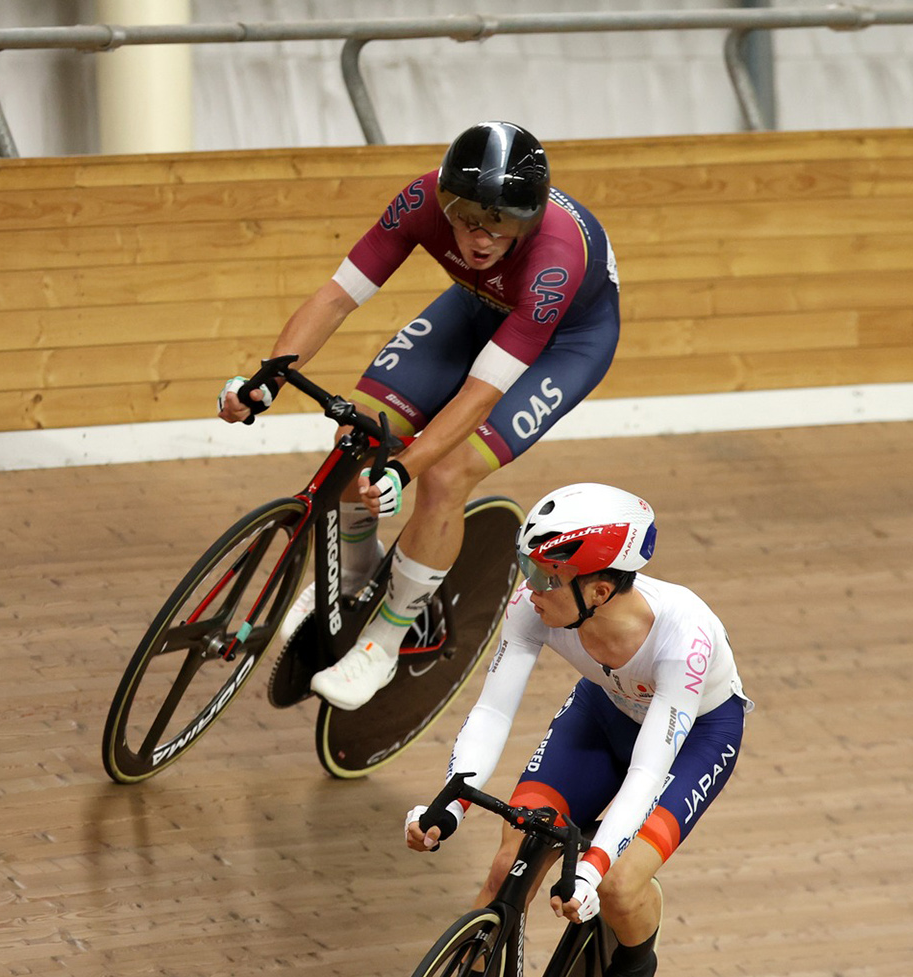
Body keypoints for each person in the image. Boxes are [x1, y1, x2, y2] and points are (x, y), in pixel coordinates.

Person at [217, 121, 621, 712]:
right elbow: (336, 296)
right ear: (444, 198)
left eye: (501, 223)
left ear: (528, 221)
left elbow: (482, 394)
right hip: (478, 306)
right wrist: (267, 377)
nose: (478, 238)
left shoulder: (553, 261)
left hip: (563, 343)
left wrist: (404, 470)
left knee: (443, 474)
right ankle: (357, 575)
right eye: (464, 216)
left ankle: (384, 642)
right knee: (358, 436)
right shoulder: (420, 200)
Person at [404, 484, 750, 977]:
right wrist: (453, 801)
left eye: (543, 575)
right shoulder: (534, 606)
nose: (529, 587)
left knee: (618, 882)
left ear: (599, 587)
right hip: (601, 714)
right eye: (526, 567)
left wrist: (591, 868)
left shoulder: (684, 634)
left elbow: (648, 770)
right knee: (510, 860)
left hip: (693, 740)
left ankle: (634, 966)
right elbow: (491, 709)